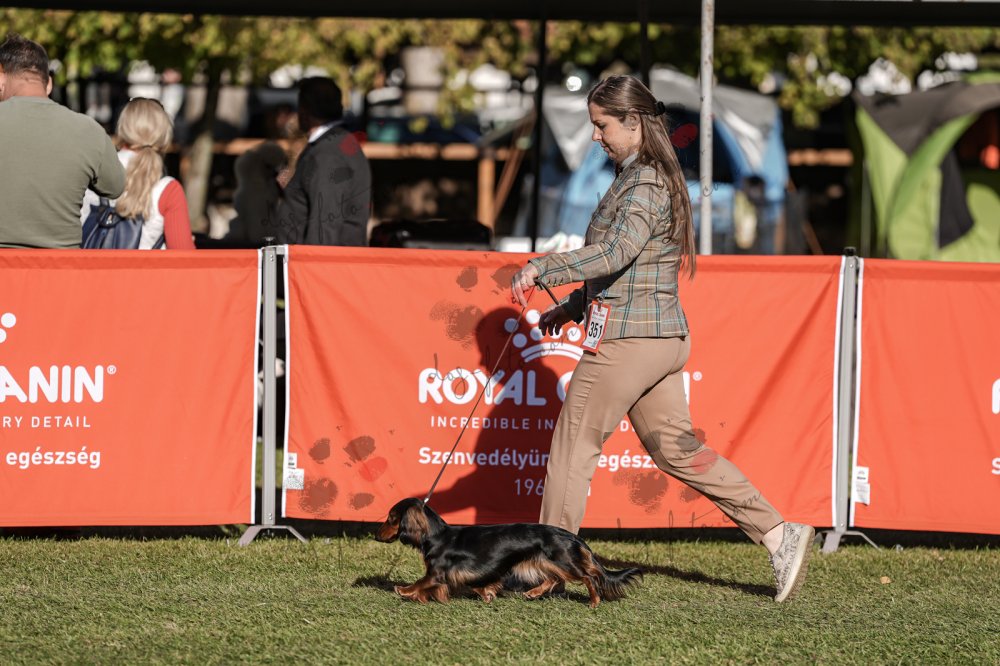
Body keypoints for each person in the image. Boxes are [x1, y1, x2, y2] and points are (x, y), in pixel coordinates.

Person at [510, 75, 814, 603]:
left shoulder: (644, 183)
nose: (596, 136)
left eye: (602, 126)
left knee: (572, 448)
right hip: (660, 338)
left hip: (629, 342)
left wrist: (543, 267)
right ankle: (778, 533)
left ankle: (547, 568)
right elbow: (628, 267)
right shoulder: (642, 177)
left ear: (633, 122)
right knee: (678, 451)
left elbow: (615, 253)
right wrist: (572, 307)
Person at [0, 33, 124, 248]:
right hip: (61, 265)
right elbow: (115, 187)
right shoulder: (89, 130)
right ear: (48, 83)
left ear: (1, 79)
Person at [81, 97, 195, 250]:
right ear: (164, 136)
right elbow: (183, 257)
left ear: (122, 128)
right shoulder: (169, 190)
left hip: (92, 265)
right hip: (147, 267)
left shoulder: (93, 173)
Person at [271, 77, 371, 245]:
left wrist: (314, 260)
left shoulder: (328, 154)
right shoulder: (333, 144)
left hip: (317, 257)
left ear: (305, 109)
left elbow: (325, 225)